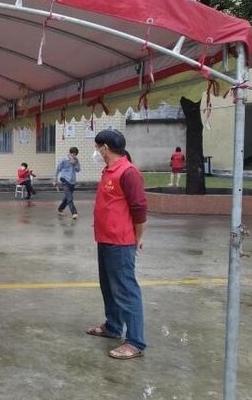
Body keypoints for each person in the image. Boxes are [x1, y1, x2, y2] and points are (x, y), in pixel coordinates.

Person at [86, 129, 147, 360]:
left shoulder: (128, 172)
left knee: (125, 290)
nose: (96, 151)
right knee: (108, 286)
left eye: (97, 147)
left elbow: (139, 208)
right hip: (105, 238)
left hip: (120, 242)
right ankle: (113, 326)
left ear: (105, 148)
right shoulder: (109, 170)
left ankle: (135, 342)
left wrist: (138, 237)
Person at [54, 146, 81, 219]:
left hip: (72, 181)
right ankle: (74, 213)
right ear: (70, 153)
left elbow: (78, 170)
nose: (74, 156)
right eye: (73, 154)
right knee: (70, 197)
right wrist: (55, 180)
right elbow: (58, 169)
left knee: (67, 197)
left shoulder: (76, 160)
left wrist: (74, 164)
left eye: (75, 155)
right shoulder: (64, 160)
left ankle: (60, 209)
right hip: (65, 180)